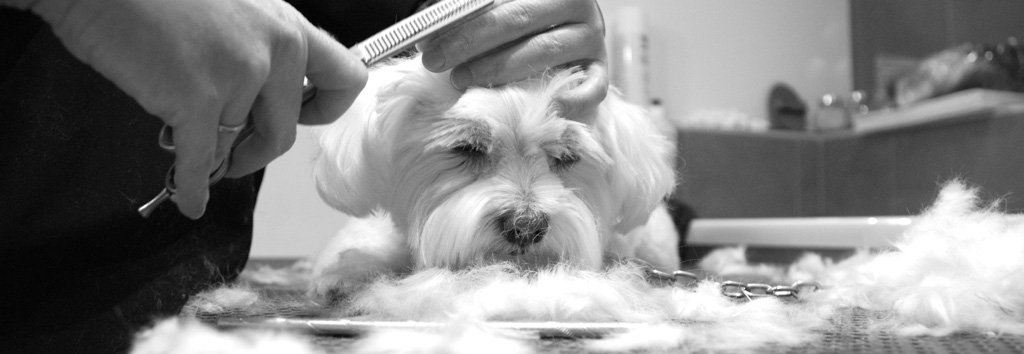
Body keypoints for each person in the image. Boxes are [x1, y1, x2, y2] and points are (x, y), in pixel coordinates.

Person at [0, 0, 607, 352]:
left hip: (159, 291)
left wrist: (522, 20)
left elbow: (406, 23)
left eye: (563, 158)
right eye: (469, 151)